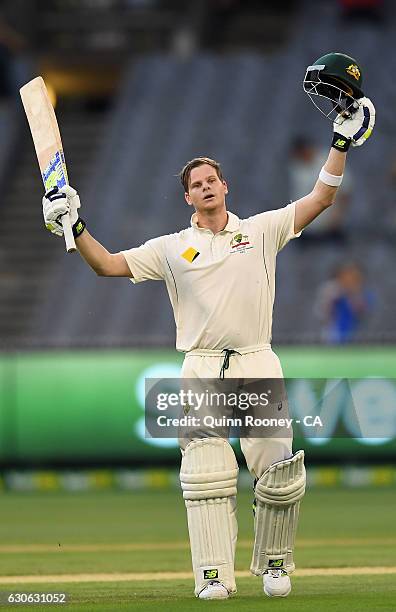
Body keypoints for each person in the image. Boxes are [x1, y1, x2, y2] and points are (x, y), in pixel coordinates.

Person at [42, 73, 375, 598]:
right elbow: (106, 265)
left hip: (256, 360)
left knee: (279, 473)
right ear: (188, 197)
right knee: (206, 476)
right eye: (195, 184)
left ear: (225, 187)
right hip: (200, 365)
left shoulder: (260, 231)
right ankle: (213, 575)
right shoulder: (172, 248)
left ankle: (273, 566)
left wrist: (339, 144)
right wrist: (74, 226)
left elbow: (320, 200)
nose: (204, 187)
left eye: (210, 180)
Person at [315, 261, 375, 343]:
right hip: (333, 333)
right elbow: (323, 312)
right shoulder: (331, 289)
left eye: (353, 276)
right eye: (346, 275)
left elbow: (362, 312)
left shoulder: (364, 292)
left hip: (356, 333)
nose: (349, 279)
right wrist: (333, 298)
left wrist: (352, 295)